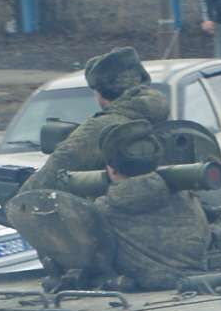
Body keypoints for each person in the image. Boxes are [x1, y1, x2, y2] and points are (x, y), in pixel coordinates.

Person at [6, 120, 209, 292]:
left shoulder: (103, 210)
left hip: (142, 292)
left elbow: (79, 261)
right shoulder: (187, 198)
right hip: (198, 285)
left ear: (111, 169)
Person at [23, 47, 169, 199]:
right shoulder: (158, 115)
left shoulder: (101, 128)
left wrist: (16, 204)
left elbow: (42, 185)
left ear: (100, 92)